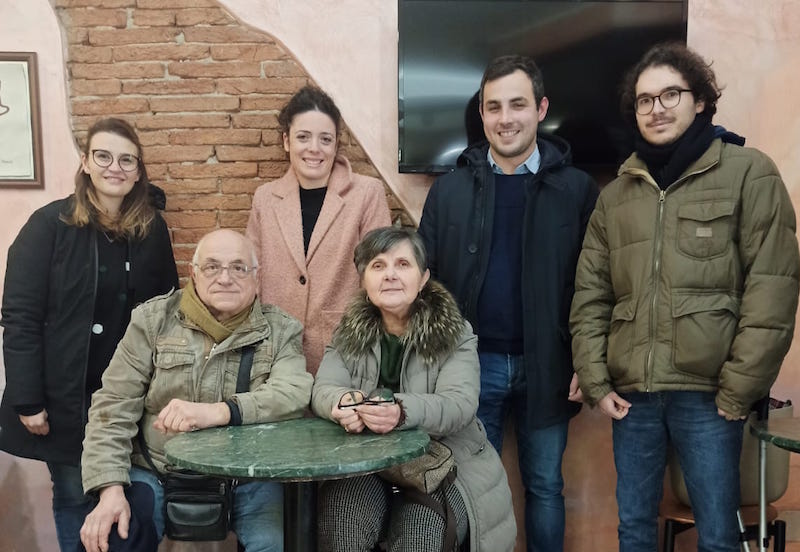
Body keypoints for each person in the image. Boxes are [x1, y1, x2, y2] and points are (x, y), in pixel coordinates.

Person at [569, 42, 800, 552]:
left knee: (717, 536)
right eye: (644, 100)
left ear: (700, 100)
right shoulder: (615, 196)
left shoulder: (749, 172)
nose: (656, 108)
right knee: (634, 530)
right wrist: (595, 379)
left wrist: (739, 390)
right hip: (633, 398)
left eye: (670, 94)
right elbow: (591, 295)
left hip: (711, 398)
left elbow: (773, 288)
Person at [417, 54, 598, 551]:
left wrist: (588, 360)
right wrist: (434, 363)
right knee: (471, 490)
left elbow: (595, 286)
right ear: (481, 114)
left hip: (551, 364)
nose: (505, 118)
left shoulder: (579, 190)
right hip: (470, 368)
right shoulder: (448, 192)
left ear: (541, 109)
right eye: (493, 107)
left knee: (545, 486)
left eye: (517, 104)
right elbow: (425, 285)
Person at [0, 117, 179, 552]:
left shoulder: (151, 229)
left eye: (126, 160)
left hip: (128, 396)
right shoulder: (48, 225)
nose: (114, 167)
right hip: (62, 394)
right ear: (86, 162)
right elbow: (20, 316)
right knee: (72, 494)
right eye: (103, 156)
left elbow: (168, 310)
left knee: (131, 498)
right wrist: (27, 398)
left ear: (137, 171)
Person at [79, 229, 313, 552]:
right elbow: (113, 406)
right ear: (194, 273)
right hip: (156, 469)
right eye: (212, 267)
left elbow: (292, 393)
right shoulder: (152, 320)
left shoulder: (281, 330)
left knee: (276, 544)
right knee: (116, 536)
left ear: (256, 277)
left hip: (248, 477)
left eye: (239, 268)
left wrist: (218, 412)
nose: (225, 278)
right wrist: (110, 489)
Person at [311, 226, 516, 552]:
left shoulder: (455, 332)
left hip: (441, 460)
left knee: (420, 537)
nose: (390, 275)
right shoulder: (348, 332)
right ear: (364, 281)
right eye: (378, 266)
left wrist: (400, 411)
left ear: (423, 279)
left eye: (403, 264)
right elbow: (324, 388)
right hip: (368, 461)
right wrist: (344, 402)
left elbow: (459, 404)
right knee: (341, 525)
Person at [246, 85, 392, 376]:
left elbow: (379, 274)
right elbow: (252, 274)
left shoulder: (366, 193)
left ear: (336, 144)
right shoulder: (265, 197)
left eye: (325, 139)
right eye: (303, 137)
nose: (314, 148)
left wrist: (364, 341)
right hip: (276, 352)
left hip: (344, 350)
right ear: (286, 141)